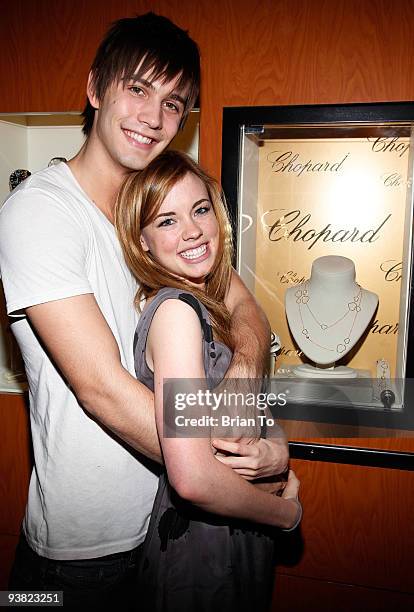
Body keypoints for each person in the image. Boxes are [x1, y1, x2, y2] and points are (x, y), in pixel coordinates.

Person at [0, 12, 288, 610]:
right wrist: (243, 474)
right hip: (78, 558)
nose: (154, 118)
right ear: (95, 88)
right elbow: (102, 388)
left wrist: (244, 373)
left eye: (175, 103)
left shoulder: (151, 219)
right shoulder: (39, 212)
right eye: (137, 88)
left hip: (167, 530)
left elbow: (243, 306)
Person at [115, 150, 301, 612]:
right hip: (201, 547)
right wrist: (286, 516)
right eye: (166, 221)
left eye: (200, 211)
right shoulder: (177, 314)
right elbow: (193, 478)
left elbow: (243, 409)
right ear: (142, 244)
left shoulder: (209, 303)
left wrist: (274, 448)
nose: (193, 230)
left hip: (234, 530)